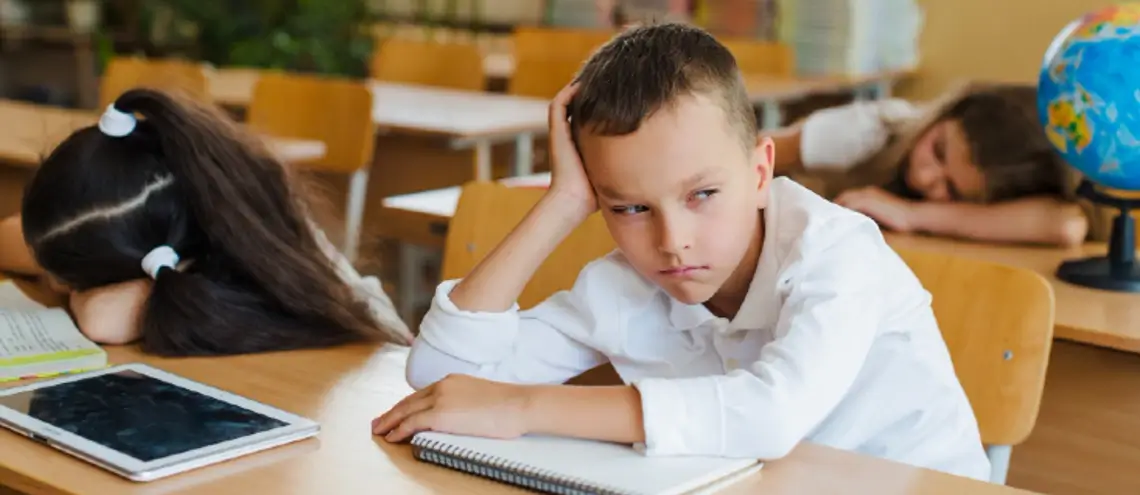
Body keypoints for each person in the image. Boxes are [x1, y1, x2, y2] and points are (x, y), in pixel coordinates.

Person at [372, 23, 991, 481]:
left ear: (758, 171)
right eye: (630, 208)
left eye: (702, 194)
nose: (672, 243)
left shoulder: (837, 251)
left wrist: (528, 406)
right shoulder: (624, 286)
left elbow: (771, 415)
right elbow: (439, 378)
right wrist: (563, 200)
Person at [15, 88, 412, 356]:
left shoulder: (247, 271)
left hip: (376, 370)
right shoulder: (176, 192)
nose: (60, 286)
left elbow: (100, 318)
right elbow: (13, 237)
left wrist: (72, 283)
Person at [768, 82, 1089, 246]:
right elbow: (751, 152)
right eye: (938, 150)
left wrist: (911, 215)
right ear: (948, 111)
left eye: (950, 188)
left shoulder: (994, 212)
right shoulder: (873, 129)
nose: (924, 177)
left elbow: (1066, 225)